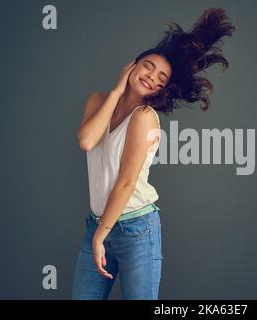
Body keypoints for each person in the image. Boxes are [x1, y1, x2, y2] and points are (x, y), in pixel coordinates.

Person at [71, 7, 235, 300]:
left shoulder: (145, 117)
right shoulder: (98, 101)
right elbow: (86, 140)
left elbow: (126, 182)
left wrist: (100, 237)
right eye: (148, 66)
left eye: (161, 77)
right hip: (96, 225)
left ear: (163, 88)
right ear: (132, 65)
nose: (152, 77)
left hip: (137, 230)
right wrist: (117, 91)